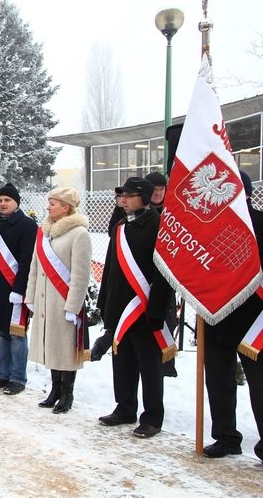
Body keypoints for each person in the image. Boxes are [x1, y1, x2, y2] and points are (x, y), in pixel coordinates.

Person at [95, 177, 172, 439]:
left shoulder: (158, 225)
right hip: (120, 308)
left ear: (145, 198)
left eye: (128, 195)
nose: (123, 200)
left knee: (149, 366)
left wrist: (157, 311)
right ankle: (125, 408)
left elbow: (163, 274)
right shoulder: (120, 227)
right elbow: (110, 268)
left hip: (145, 309)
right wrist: (104, 303)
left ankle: (152, 417)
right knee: (123, 361)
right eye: (121, 196)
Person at [203, 171, 263, 462]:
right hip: (217, 314)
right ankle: (225, 437)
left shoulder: (260, 222)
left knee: (260, 384)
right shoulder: (209, 226)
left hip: (255, 319)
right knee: (218, 381)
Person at [26, 187, 91, 414]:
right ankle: (55, 390)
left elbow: (81, 275)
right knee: (51, 346)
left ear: (66, 207)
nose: (48, 207)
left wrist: (73, 306)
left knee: (65, 350)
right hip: (45, 301)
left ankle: (67, 394)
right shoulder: (45, 233)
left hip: (64, 302)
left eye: (52, 203)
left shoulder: (79, 234)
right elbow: (35, 267)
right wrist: (31, 296)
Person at [0, 183, 37, 395]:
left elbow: (27, 261)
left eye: (7, 200)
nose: (3, 204)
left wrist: (20, 289)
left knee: (16, 335)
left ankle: (17, 378)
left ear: (16, 202)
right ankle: (4, 374)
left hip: (14, 288)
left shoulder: (27, 225)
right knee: (1, 333)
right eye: (0, 200)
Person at [144, 170, 178, 379]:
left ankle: (167, 364)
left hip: (165, 275)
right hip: (142, 274)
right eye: (154, 189)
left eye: (161, 189)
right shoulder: (135, 211)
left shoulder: (172, 211)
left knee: (168, 320)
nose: (158, 193)